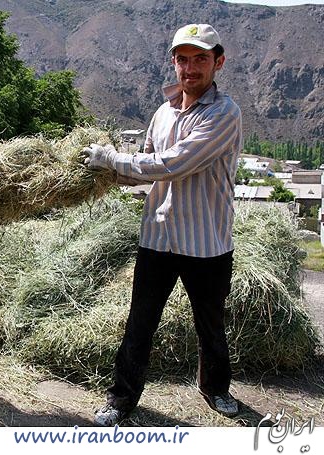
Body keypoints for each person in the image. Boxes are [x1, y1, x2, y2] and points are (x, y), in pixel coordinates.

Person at [81, 24, 242, 425]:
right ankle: (121, 399)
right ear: (173, 63)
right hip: (157, 236)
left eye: (200, 58)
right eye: (183, 59)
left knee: (210, 324)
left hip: (206, 242)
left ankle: (215, 389)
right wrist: (100, 175)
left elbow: (174, 164)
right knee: (140, 323)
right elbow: (146, 168)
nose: (190, 68)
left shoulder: (225, 113)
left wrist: (112, 158)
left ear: (218, 62)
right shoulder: (163, 112)